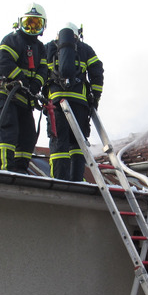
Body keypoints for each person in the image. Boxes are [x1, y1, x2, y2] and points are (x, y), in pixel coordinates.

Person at [0, 2, 49, 173]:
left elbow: (43, 70)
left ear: (43, 26)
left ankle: (20, 171)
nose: (32, 27)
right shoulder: (12, 39)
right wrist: (22, 80)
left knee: (28, 136)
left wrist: (36, 84)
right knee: (7, 132)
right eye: (29, 23)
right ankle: (4, 170)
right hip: (5, 95)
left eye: (36, 24)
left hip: (24, 98)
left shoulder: (40, 48)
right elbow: (4, 63)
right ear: (20, 23)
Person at [43, 22, 104, 181]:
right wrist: (95, 97)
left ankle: (59, 179)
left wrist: (43, 95)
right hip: (80, 104)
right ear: (78, 34)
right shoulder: (86, 49)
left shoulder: (48, 48)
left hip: (56, 103)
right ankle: (77, 178)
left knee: (59, 142)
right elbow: (97, 72)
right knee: (78, 144)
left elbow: (39, 72)